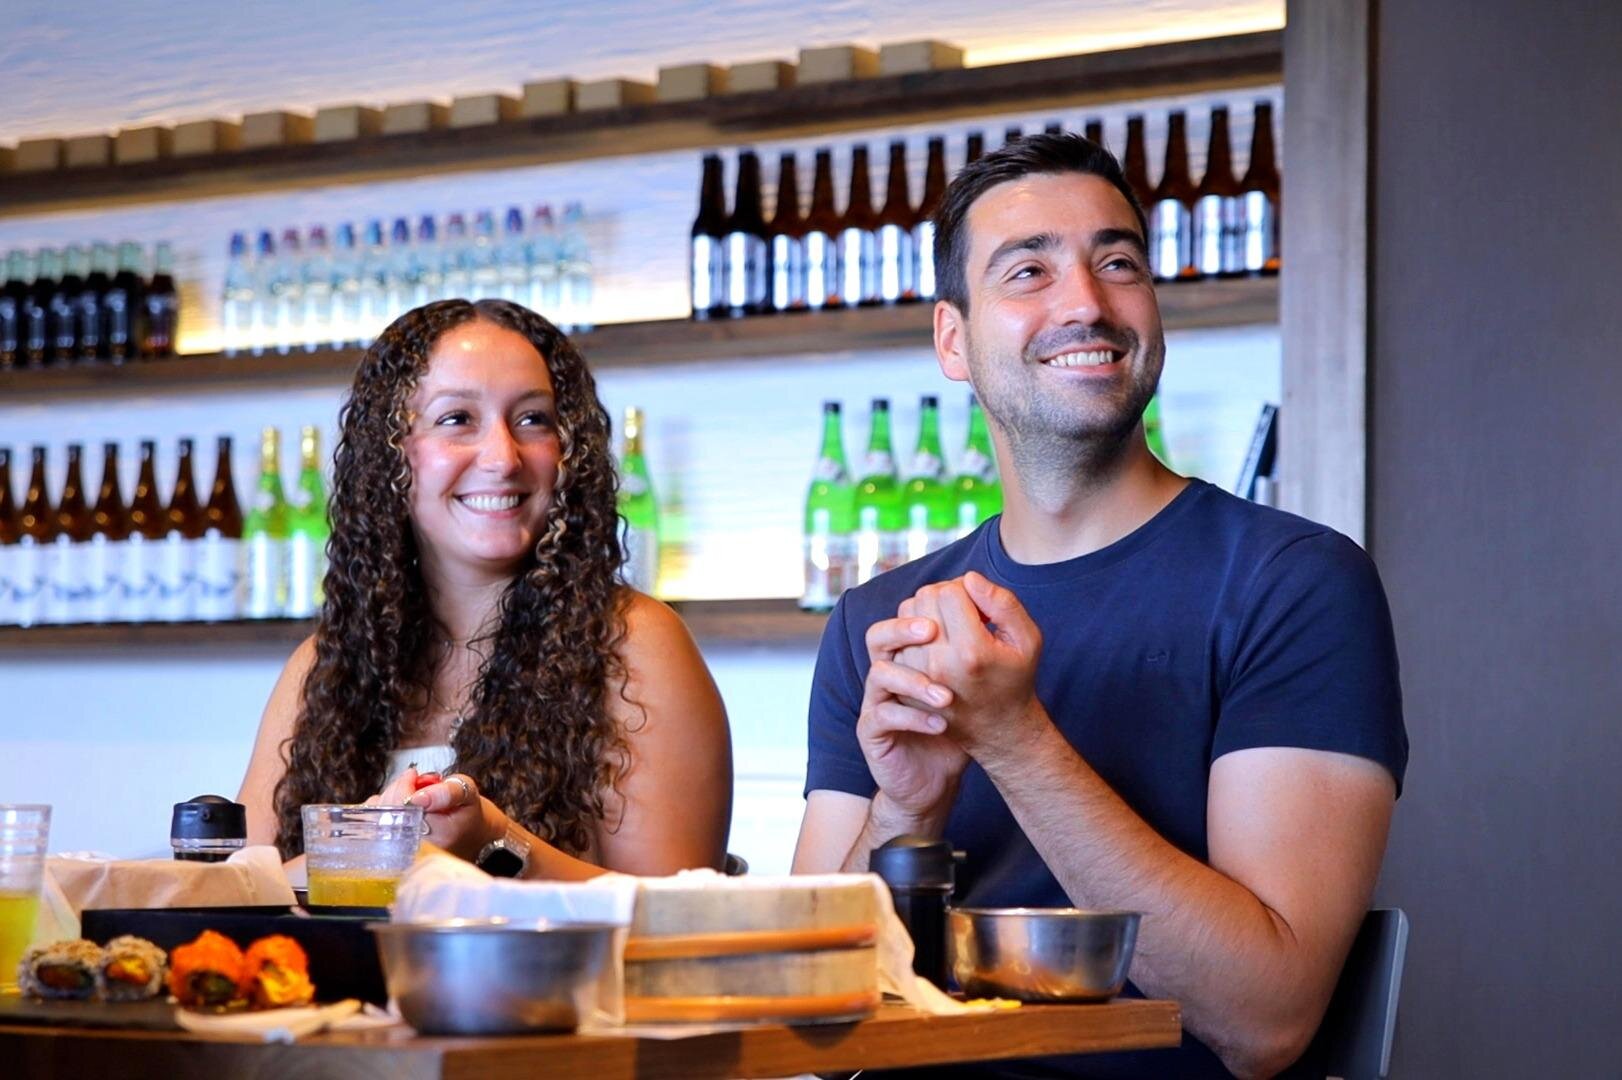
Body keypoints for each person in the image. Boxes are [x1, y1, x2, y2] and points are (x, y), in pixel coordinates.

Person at [792, 134, 1407, 1079]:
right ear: (953, 340)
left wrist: (1015, 740)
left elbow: (1265, 1019)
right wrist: (903, 815)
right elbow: (807, 1029)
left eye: (1118, 263)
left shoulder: (1292, 584)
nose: (1086, 303)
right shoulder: (880, 621)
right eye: (1029, 271)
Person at [239, 298, 732, 880]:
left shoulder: (633, 642)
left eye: (533, 419)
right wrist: (374, 847)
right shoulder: (325, 664)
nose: (503, 457)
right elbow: (243, 893)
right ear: (389, 454)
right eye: (457, 419)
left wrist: (492, 839)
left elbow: (674, 913)